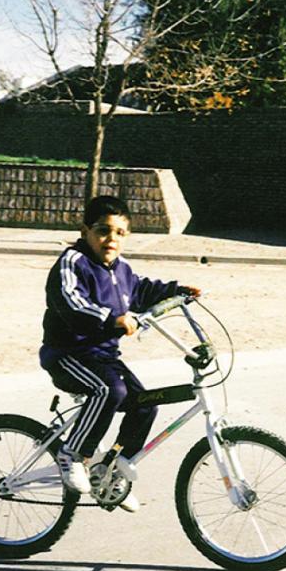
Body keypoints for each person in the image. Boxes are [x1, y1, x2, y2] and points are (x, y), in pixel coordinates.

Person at [40, 195, 201, 511]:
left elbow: (140, 290)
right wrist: (111, 318)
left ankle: (113, 472)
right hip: (67, 353)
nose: (110, 239)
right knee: (109, 390)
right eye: (102, 231)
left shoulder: (122, 269)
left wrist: (177, 292)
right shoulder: (73, 262)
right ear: (85, 230)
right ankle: (72, 453)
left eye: (119, 233)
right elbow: (72, 302)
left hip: (102, 357)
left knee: (145, 404)